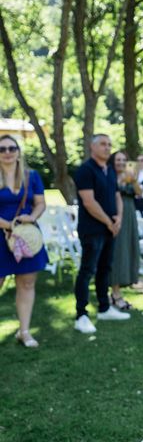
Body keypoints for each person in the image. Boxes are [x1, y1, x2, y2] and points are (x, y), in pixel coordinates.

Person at [74, 134, 131, 334]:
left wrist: (119, 219)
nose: (107, 148)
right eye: (103, 144)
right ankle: (81, 315)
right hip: (92, 230)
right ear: (92, 147)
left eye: (109, 144)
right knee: (87, 270)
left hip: (109, 229)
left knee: (105, 269)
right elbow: (89, 202)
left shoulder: (109, 171)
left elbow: (117, 195)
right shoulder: (85, 170)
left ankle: (104, 308)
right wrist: (109, 222)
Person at [0, 135, 49, 348]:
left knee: (27, 283)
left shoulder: (32, 176)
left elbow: (40, 203)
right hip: (2, 235)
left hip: (28, 236)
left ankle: (24, 331)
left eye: (12, 148)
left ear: (19, 152)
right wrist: (8, 226)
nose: (8, 152)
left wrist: (32, 217)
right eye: (2, 149)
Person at [107, 150, 141, 309]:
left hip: (129, 215)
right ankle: (115, 293)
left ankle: (117, 290)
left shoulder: (130, 176)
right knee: (117, 252)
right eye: (117, 159)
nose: (120, 162)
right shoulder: (109, 175)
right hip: (116, 214)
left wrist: (134, 181)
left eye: (123, 160)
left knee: (127, 251)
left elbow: (140, 194)